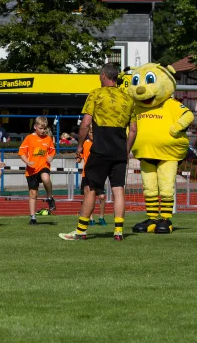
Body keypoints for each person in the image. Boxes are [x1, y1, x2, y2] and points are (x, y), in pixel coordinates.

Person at [59, 63, 135, 241]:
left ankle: (81, 231)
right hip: (119, 150)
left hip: (100, 149)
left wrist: (79, 145)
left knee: (91, 189)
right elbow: (133, 130)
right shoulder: (128, 98)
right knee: (118, 190)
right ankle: (118, 231)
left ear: (103, 76)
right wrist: (126, 150)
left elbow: (85, 123)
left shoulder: (96, 94)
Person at [18, 116, 56, 225]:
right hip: (32, 169)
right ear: (35, 127)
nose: (43, 131)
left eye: (44, 128)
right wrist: (27, 162)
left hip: (43, 165)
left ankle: (49, 197)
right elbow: (21, 152)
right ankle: (33, 217)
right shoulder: (29, 138)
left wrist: (51, 157)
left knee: (46, 178)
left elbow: (52, 151)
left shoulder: (48, 139)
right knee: (33, 193)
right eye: (41, 128)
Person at [78, 127, 107, 226]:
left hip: (99, 174)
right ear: (87, 133)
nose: (92, 134)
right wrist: (78, 158)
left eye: (95, 133)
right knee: (89, 197)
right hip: (87, 175)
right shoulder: (85, 144)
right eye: (91, 132)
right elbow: (79, 156)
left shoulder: (101, 143)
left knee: (102, 197)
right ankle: (90, 218)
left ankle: (101, 217)